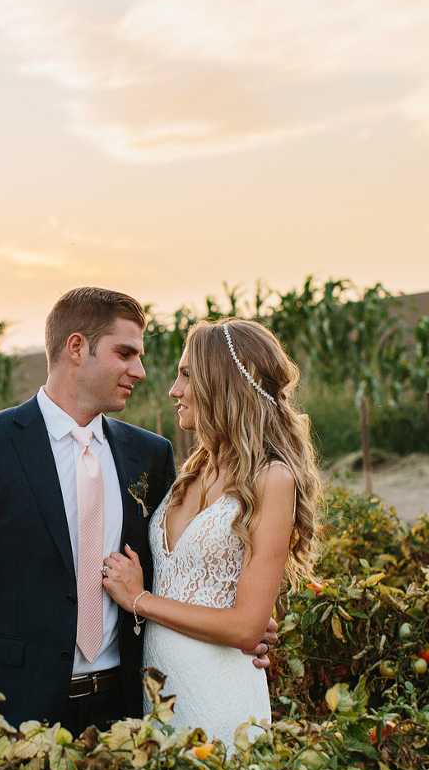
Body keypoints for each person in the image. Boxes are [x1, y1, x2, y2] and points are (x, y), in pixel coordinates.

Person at [0, 288, 274, 735]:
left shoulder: (150, 454)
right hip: (11, 707)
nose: (140, 371)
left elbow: (176, 568)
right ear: (76, 348)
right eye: (125, 353)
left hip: (128, 708)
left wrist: (246, 621)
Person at [102, 317, 323, 745]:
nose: (174, 390)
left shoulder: (271, 478)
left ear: (220, 383)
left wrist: (140, 600)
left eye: (186, 375)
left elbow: (245, 628)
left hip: (220, 695)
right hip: (159, 692)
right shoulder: (191, 470)